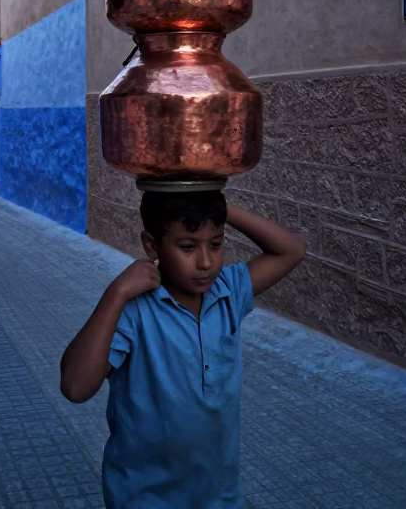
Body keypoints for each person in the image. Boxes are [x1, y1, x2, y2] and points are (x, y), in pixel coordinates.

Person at [59, 189, 306, 509]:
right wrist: (116, 293)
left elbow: (292, 250)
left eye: (215, 244)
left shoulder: (228, 291)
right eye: (188, 247)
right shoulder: (134, 311)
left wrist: (213, 203)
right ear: (151, 245)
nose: (205, 262)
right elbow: (76, 387)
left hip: (220, 496)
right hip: (144, 498)